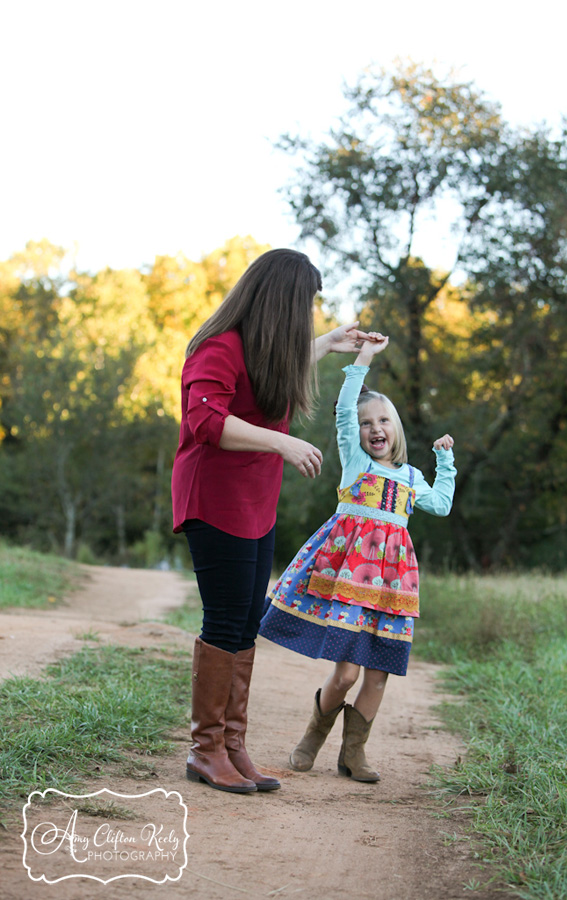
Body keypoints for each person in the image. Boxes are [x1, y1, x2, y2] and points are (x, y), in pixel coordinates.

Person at [171, 247, 374, 794]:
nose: (308, 311)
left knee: (245, 623)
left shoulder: (258, 349)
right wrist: (282, 441)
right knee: (225, 620)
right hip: (214, 499)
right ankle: (205, 748)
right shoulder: (217, 346)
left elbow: (267, 373)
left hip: (255, 504)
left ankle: (233, 744)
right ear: (282, 300)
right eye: (305, 302)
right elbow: (207, 420)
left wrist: (329, 343)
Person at [259, 333, 456, 782]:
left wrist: (445, 462)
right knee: (346, 673)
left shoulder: (410, 477)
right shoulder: (356, 464)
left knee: (379, 673)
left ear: (397, 427)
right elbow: (346, 409)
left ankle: (354, 754)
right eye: (367, 423)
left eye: (383, 420)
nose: (375, 428)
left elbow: (441, 505)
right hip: (351, 579)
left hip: (392, 584)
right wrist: (364, 359)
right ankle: (312, 736)